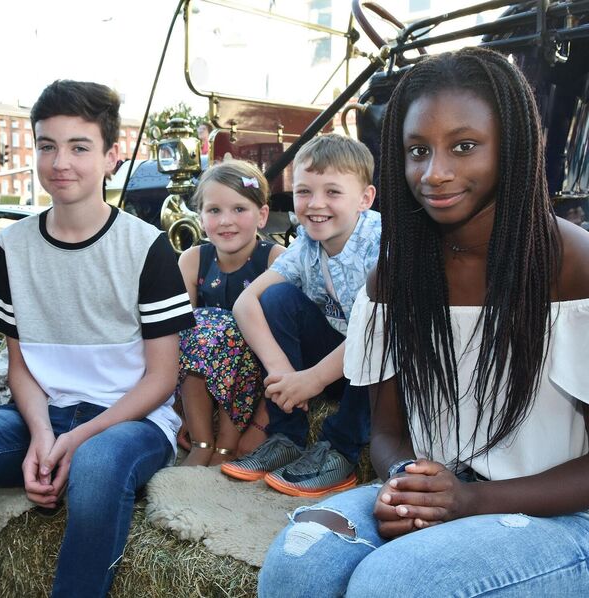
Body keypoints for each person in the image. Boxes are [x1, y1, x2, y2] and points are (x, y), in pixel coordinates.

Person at [258, 47, 589, 597]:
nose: (435, 174)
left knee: (393, 584)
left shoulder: (574, 266)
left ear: (512, 147)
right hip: (451, 494)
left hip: (562, 517)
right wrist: (407, 482)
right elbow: (387, 433)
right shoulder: (396, 277)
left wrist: (471, 502)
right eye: (417, 150)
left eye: (464, 146)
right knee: (298, 564)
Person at [0, 80, 196, 597]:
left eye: (80, 147)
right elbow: (20, 365)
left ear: (111, 157)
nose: (60, 161)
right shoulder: (12, 248)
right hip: (43, 413)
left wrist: (76, 441)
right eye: (46, 145)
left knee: (98, 466)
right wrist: (42, 435)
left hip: (130, 419)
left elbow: (161, 378)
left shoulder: (147, 248)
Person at [222, 133, 380, 498]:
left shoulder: (381, 244)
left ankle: (341, 449)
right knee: (276, 298)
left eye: (333, 192)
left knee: (385, 330)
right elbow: (245, 303)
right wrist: (283, 372)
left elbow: (377, 332)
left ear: (365, 198)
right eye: (304, 191)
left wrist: (312, 380)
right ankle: (287, 436)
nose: (315, 204)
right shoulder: (307, 244)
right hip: (337, 363)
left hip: (379, 371)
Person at [176, 160, 284, 467]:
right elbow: (175, 334)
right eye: (214, 211)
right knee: (195, 324)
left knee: (227, 327)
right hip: (201, 368)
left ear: (262, 215)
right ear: (200, 217)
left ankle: (227, 444)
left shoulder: (275, 259)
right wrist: (176, 407)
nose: (226, 221)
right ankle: (201, 440)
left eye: (239, 209)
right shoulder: (193, 259)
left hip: (253, 370)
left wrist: (262, 423)